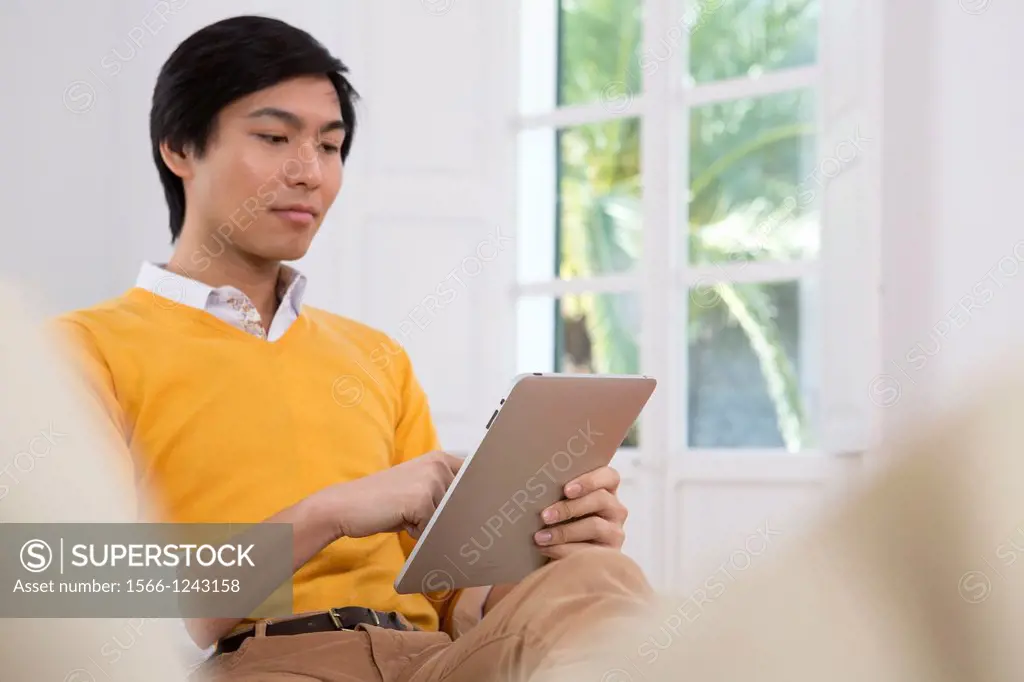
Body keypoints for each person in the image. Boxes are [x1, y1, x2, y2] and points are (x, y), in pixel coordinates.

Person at [52, 15, 653, 682]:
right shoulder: (85, 349)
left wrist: (549, 553)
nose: (309, 173)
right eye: (275, 137)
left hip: (432, 661)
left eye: (331, 147)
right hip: (264, 663)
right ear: (179, 148)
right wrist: (330, 513)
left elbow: (455, 605)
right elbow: (88, 603)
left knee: (600, 577)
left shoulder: (376, 359)